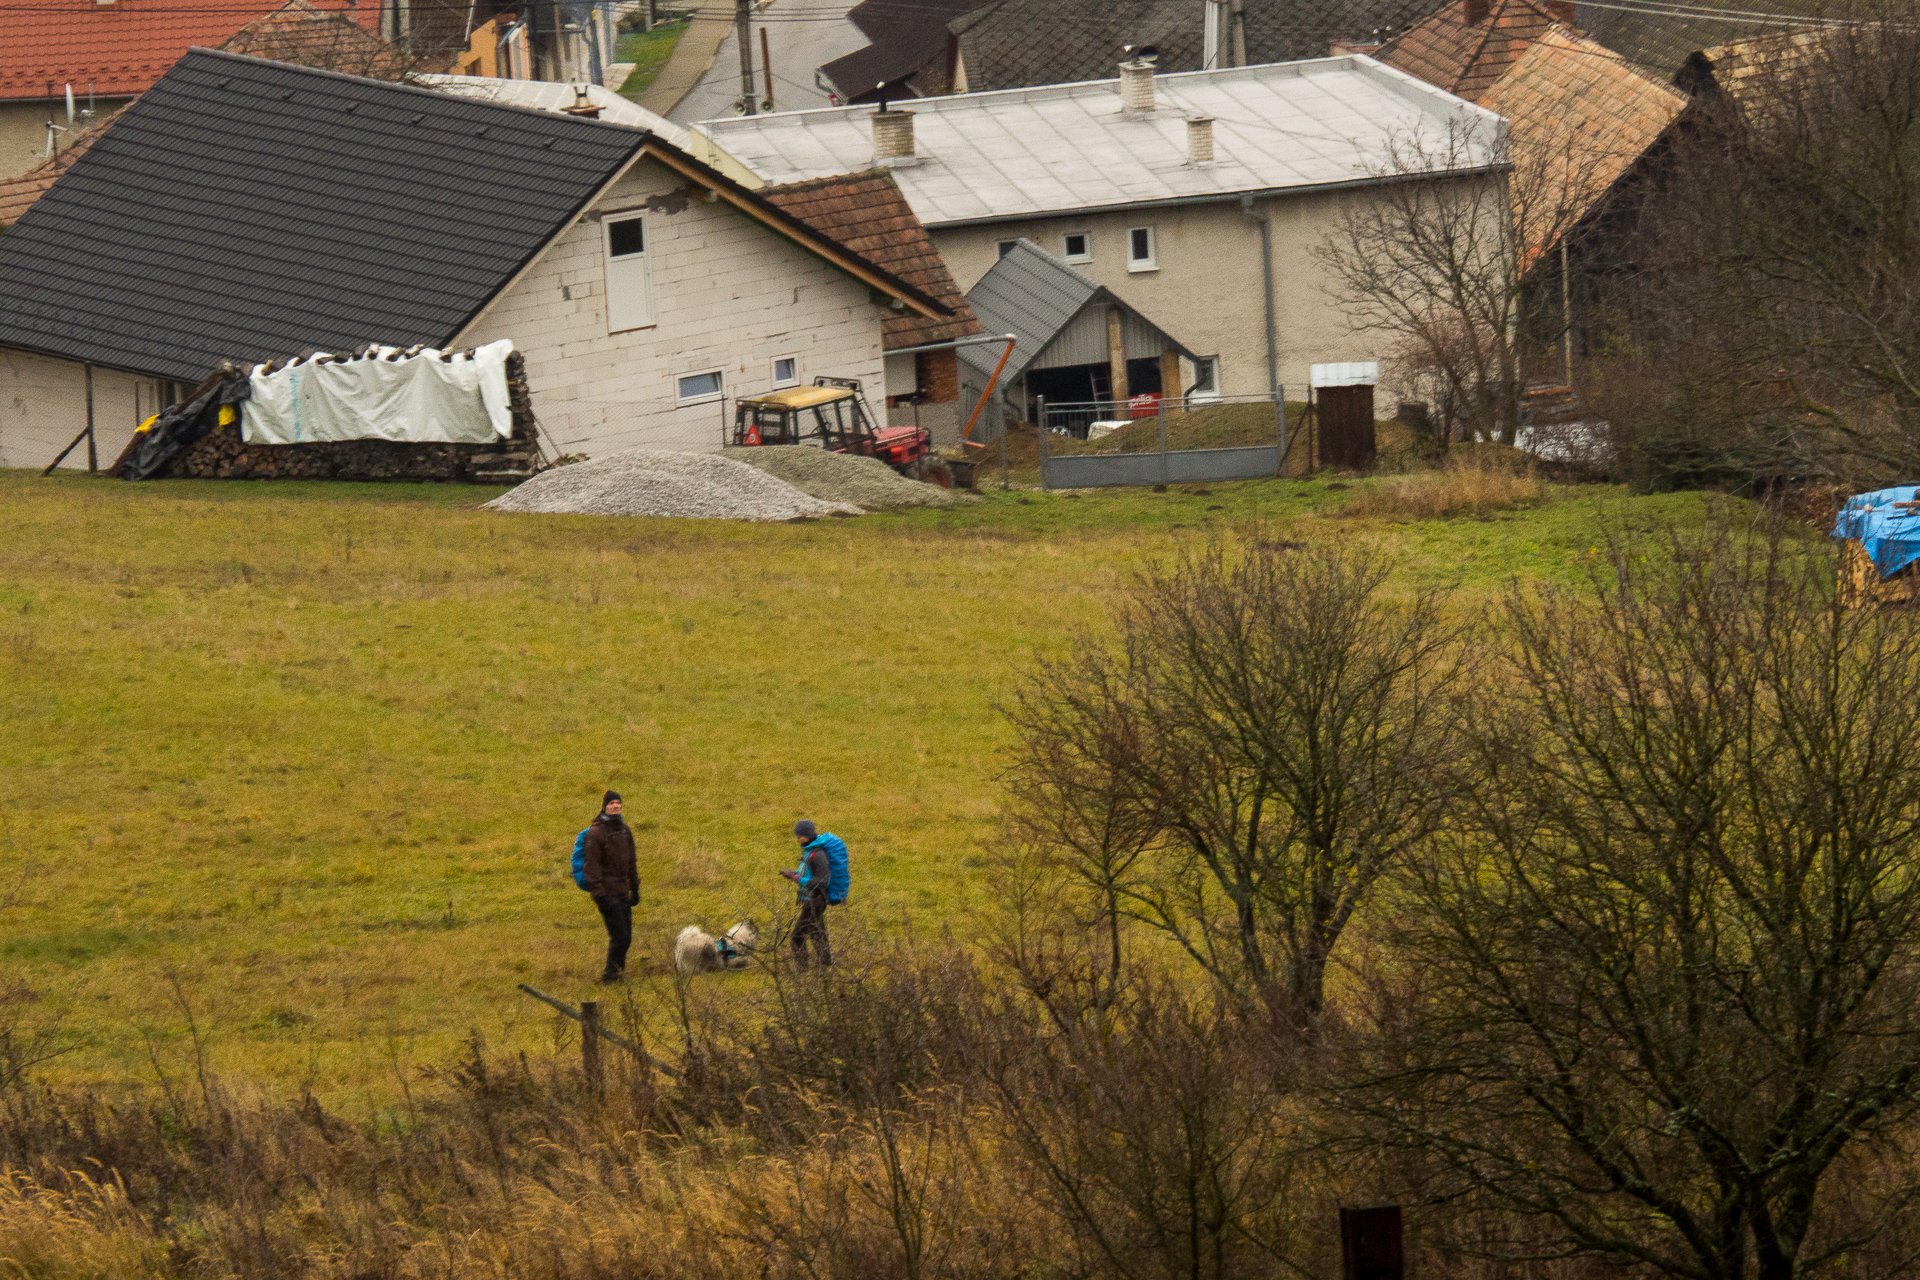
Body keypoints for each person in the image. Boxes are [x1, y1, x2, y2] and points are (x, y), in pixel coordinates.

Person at [582, 791, 639, 983]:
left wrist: (635, 889)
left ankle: (618, 975)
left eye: (618, 803)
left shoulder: (625, 830)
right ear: (604, 806)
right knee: (620, 937)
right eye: (611, 803)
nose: (615, 806)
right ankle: (610, 976)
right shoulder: (596, 833)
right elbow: (592, 866)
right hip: (607, 894)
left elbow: (632, 862)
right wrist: (599, 895)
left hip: (623, 892)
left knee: (627, 937)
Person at [780, 819, 835, 969]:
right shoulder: (809, 852)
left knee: (797, 937)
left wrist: (797, 878)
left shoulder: (818, 855)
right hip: (810, 899)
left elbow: (822, 880)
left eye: (801, 835)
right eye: (797, 835)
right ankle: (826, 965)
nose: (798, 838)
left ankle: (802, 970)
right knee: (817, 933)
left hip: (815, 900)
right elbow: (808, 874)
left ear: (809, 835)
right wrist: (793, 874)